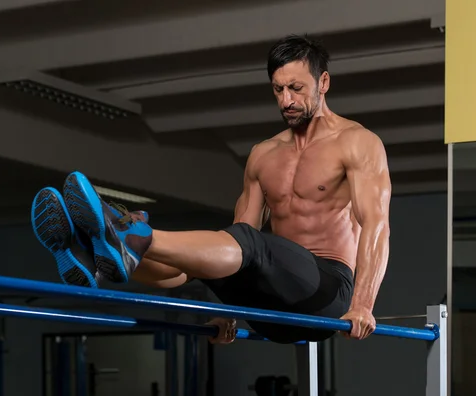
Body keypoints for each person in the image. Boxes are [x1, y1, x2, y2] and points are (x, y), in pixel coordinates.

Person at [30, 34, 391, 344]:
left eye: (296, 88)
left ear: (323, 82)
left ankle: (133, 236)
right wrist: (224, 311)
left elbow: (376, 224)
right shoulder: (263, 155)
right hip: (270, 309)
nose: (286, 100)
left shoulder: (357, 142)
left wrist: (363, 303)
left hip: (325, 297)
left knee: (251, 245)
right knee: (205, 257)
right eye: (278, 90)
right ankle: (97, 256)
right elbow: (232, 247)